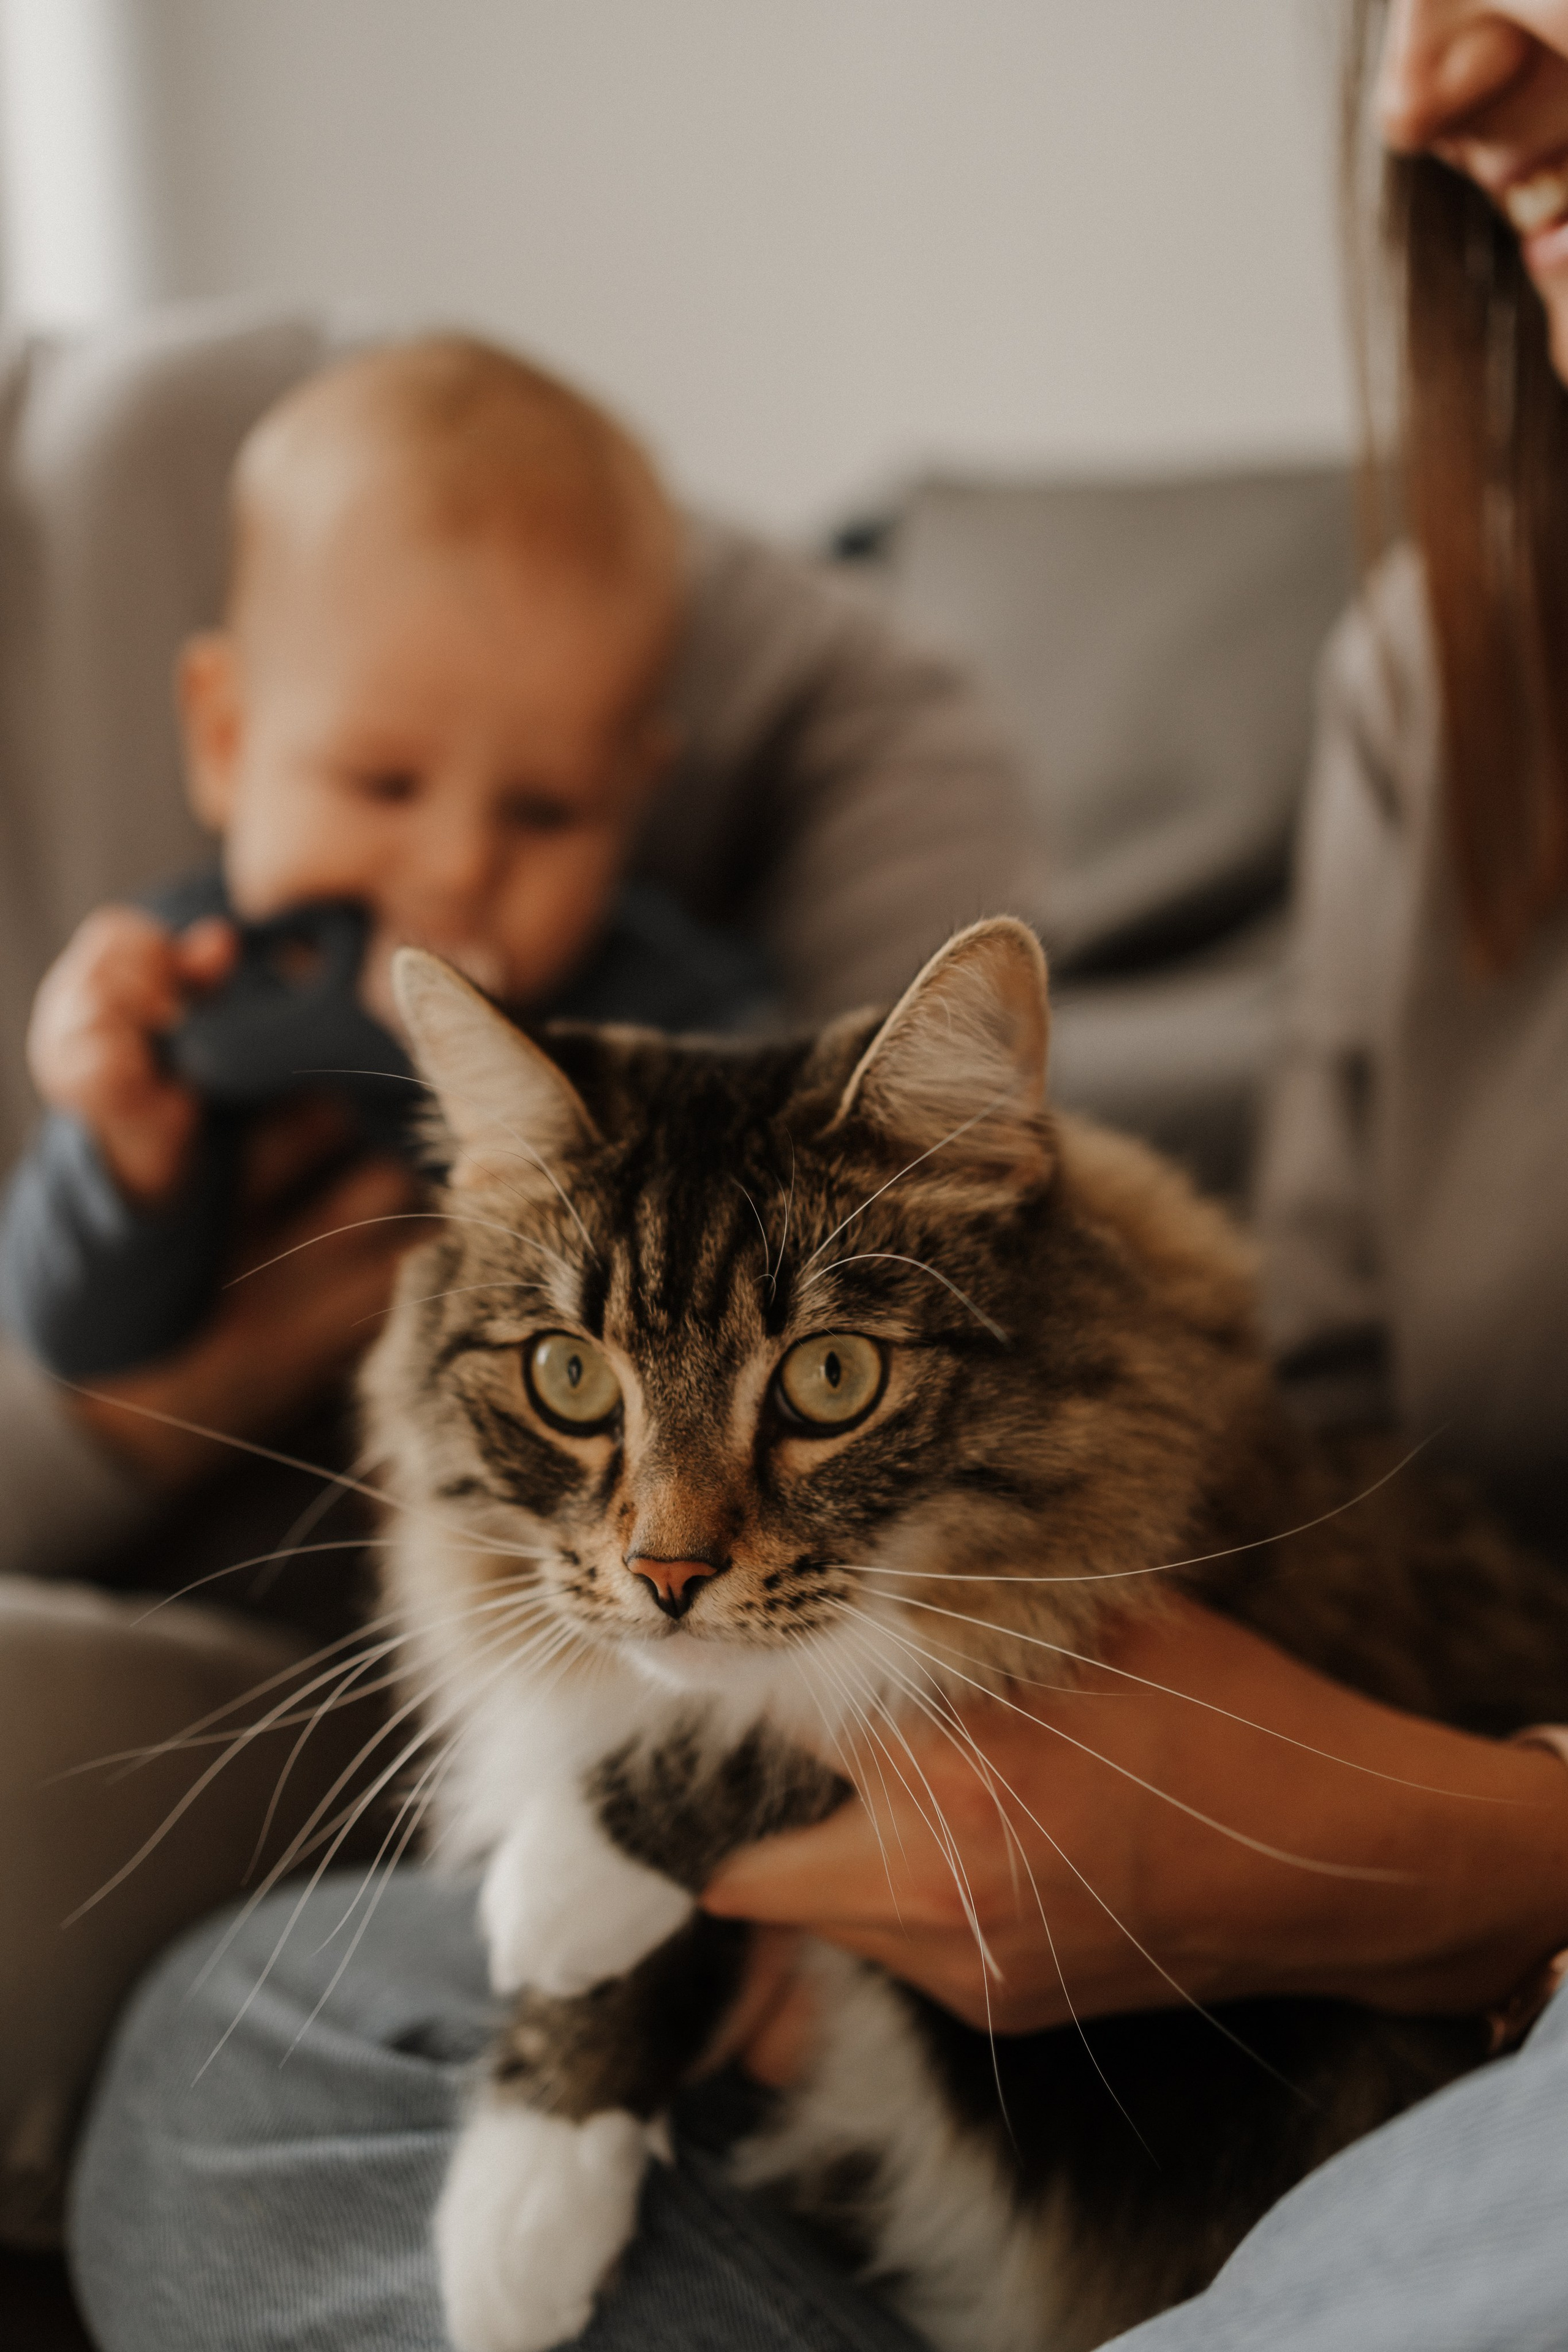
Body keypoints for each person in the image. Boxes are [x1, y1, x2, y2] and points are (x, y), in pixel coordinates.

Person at [65, 1, 1568, 2343]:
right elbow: (1329, 1413)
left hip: (1480, 1975)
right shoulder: (1450, 663)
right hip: (1168, 1773)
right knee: (236, 2075)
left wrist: (1415, 1865)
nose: (1441, 76)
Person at [0, 333, 1041, 2245]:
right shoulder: (188, 1005)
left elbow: (807, 1216)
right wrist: (125, 1158)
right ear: (226, 740)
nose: (452, 884)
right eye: (381, 784)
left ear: (632, 799)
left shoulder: (662, 1008)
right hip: (245, 1604)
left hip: (556, 1646)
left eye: (543, 817)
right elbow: (80, 1332)